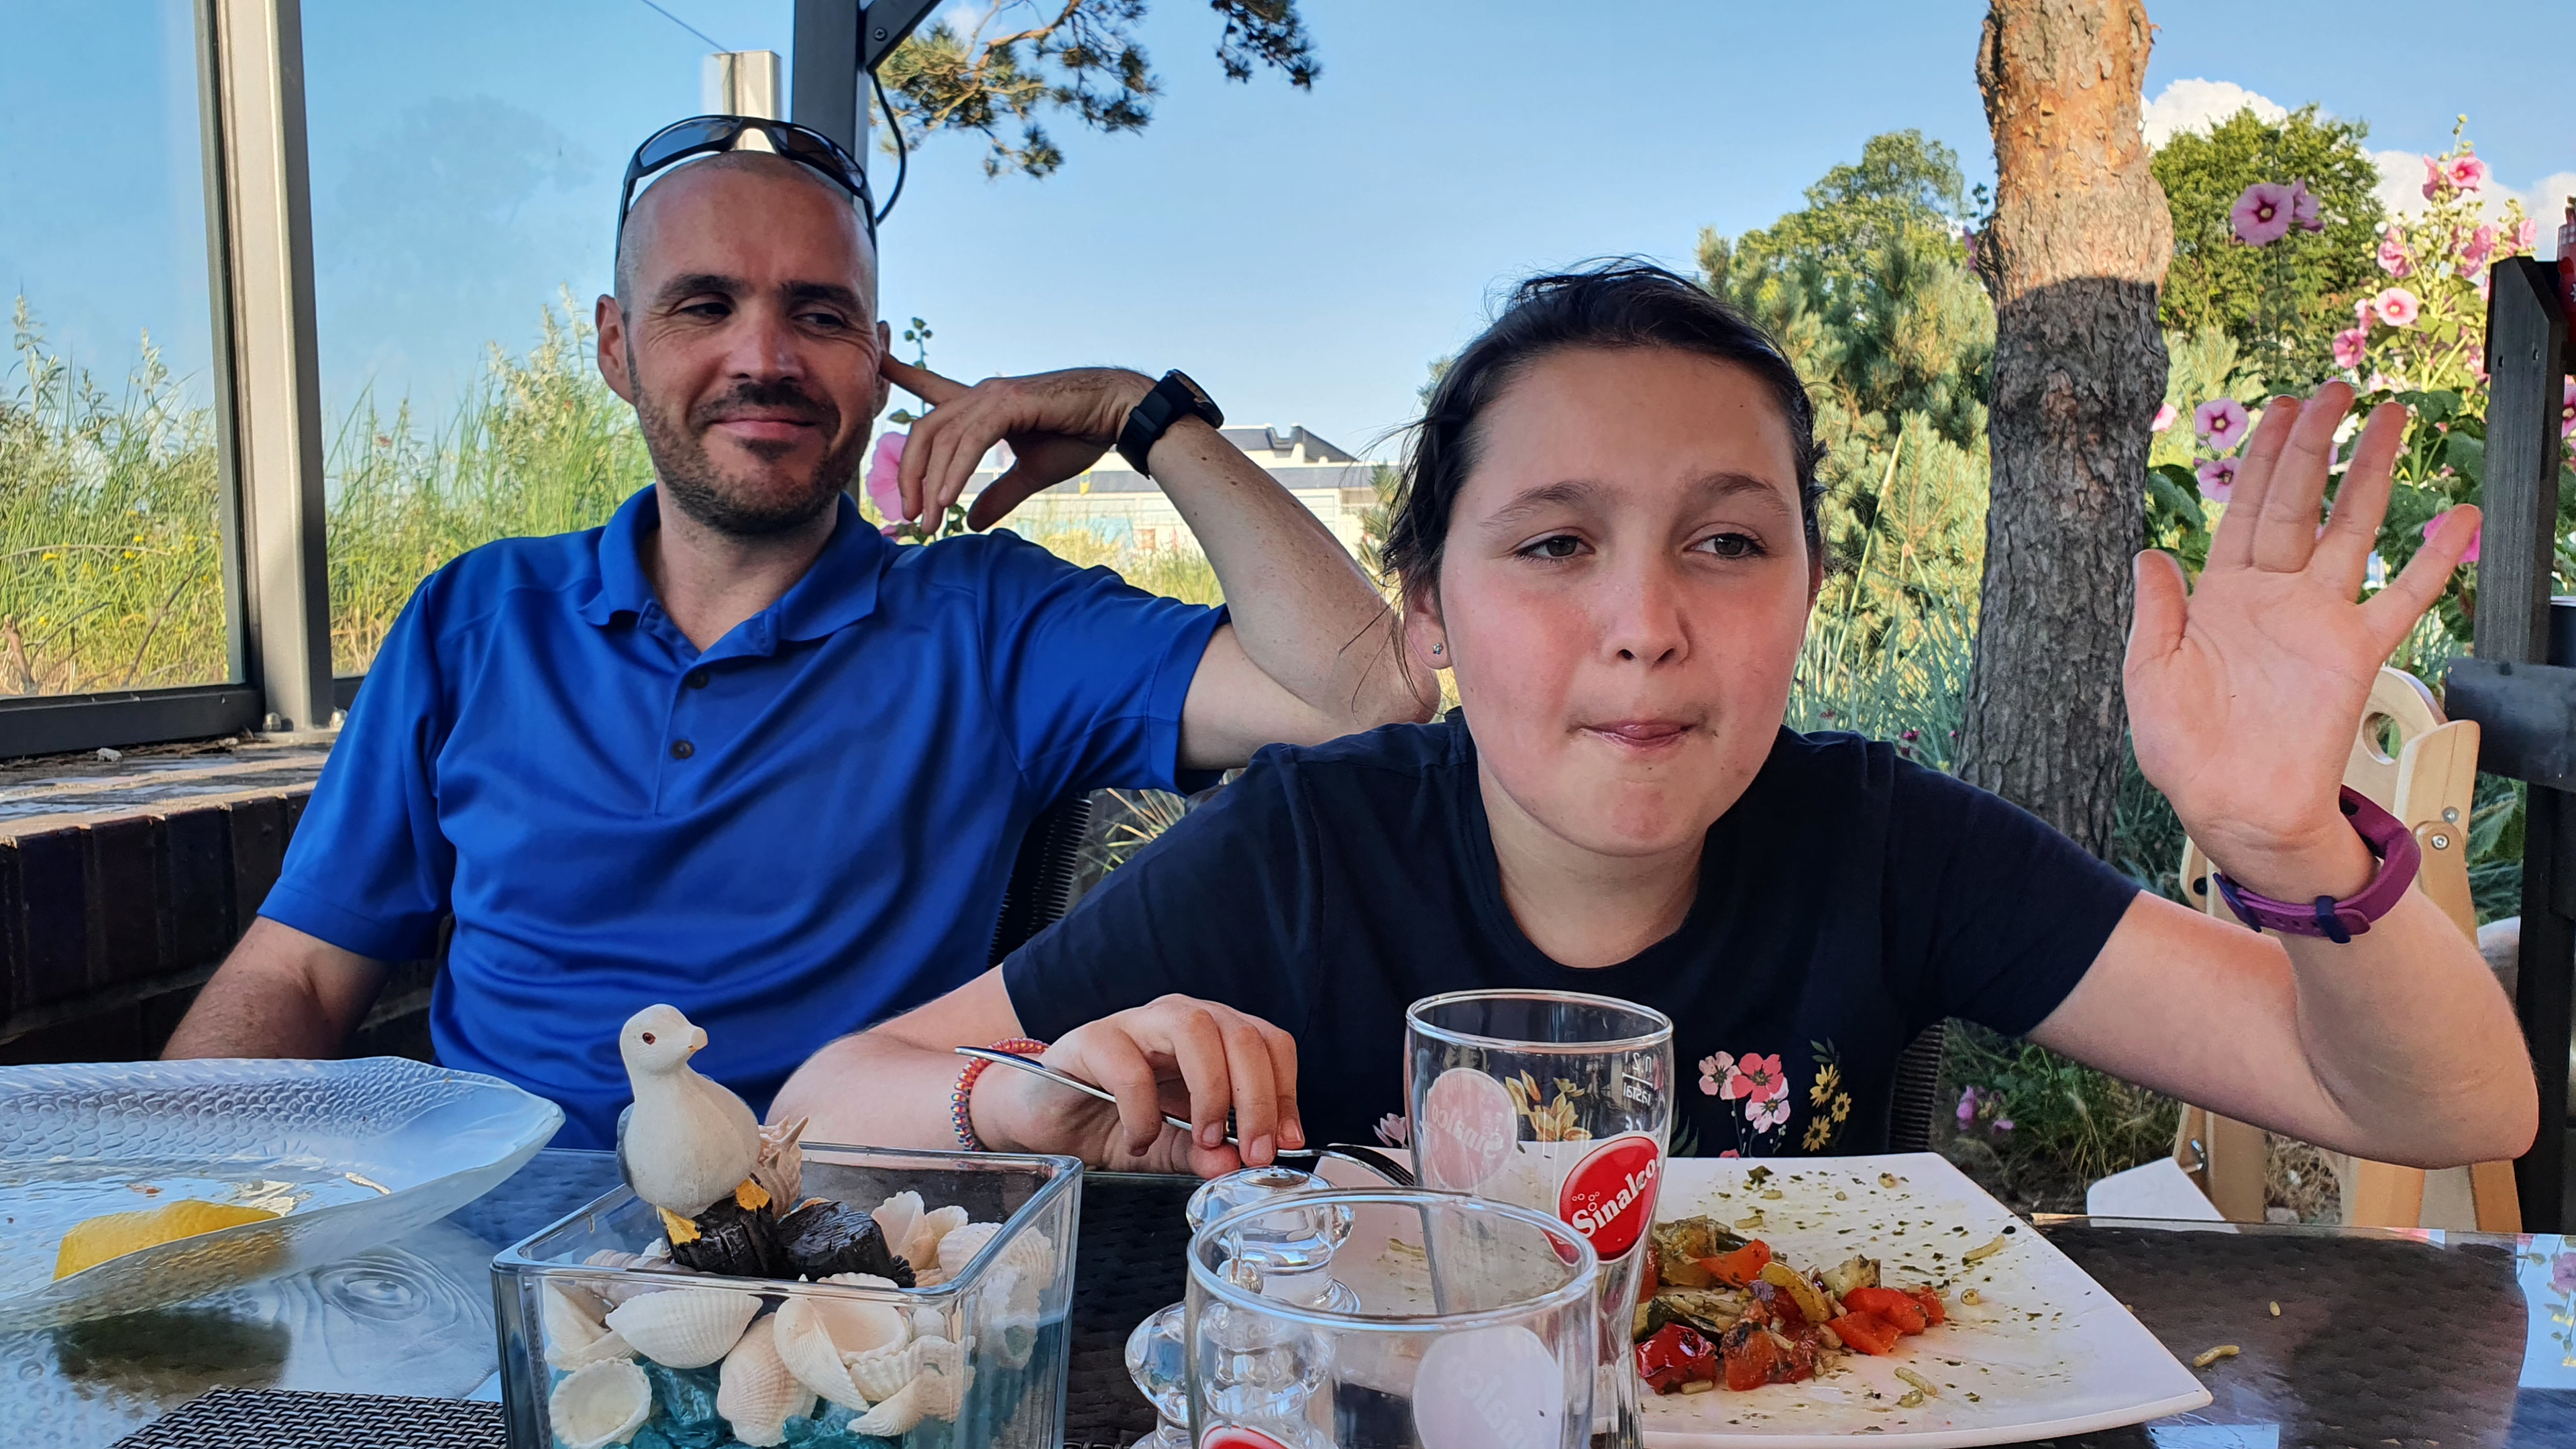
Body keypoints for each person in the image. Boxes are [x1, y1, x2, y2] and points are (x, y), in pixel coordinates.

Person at [782, 261, 2537, 1181]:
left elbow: (2456, 1110)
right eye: (1555, 545)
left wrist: (2293, 844)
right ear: (1428, 610)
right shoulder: (1307, 851)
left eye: (1728, 543)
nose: (1646, 625)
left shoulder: (1882, 842)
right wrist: (1020, 1102)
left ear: (1807, 591)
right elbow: (821, 1103)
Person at [162, 118, 1430, 1148]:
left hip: (846, 1258)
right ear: (617, 346)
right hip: (492, 1247)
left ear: (878, 361)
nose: (763, 357)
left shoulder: (991, 624)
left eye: (820, 315)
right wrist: (166, 1197)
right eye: (702, 305)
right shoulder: (476, 620)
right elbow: (301, 973)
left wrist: (1138, 413)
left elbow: (1369, 692)